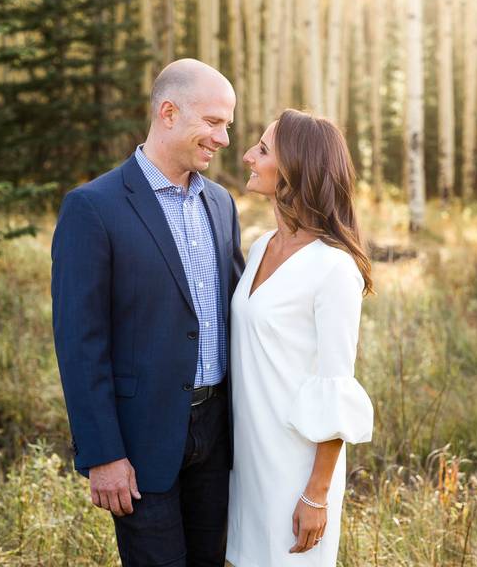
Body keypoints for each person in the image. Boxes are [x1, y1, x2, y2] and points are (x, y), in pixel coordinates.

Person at [51, 58, 244, 567]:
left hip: (219, 435)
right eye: (213, 121)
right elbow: (79, 342)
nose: (223, 138)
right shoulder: (93, 207)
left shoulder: (221, 204)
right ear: (168, 112)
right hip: (140, 442)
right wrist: (102, 453)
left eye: (228, 124)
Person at [227, 109, 375, 566]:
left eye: (264, 150)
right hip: (245, 457)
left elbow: (336, 385)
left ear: (296, 169)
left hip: (295, 470)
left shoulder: (333, 267)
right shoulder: (259, 247)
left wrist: (316, 495)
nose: (249, 155)